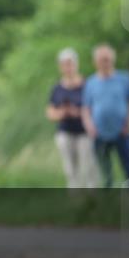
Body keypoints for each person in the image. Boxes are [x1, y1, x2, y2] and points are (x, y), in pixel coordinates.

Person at [81, 44, 129, 187]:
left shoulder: (124, 79)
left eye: (107, 59)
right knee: (104, 170)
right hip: (99, 133)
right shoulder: (91, 82)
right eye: (101, 60)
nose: (105, 63)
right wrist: (90, 127)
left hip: (122, 131)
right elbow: (86, 108)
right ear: (95, 62)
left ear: (113, 60)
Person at [46, 48, 97, 188]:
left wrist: (79, 112)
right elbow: (50, 112)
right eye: (64, 64)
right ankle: (75, 196)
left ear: (76, 64)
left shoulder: (87, 85)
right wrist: (62, 112)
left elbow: (95, 108)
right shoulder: (57, 88)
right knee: (70, 169)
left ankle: (92, 196)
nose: (68, 67)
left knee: (88, 167)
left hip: (85, 132)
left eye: (70, 63)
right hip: (65, 132)